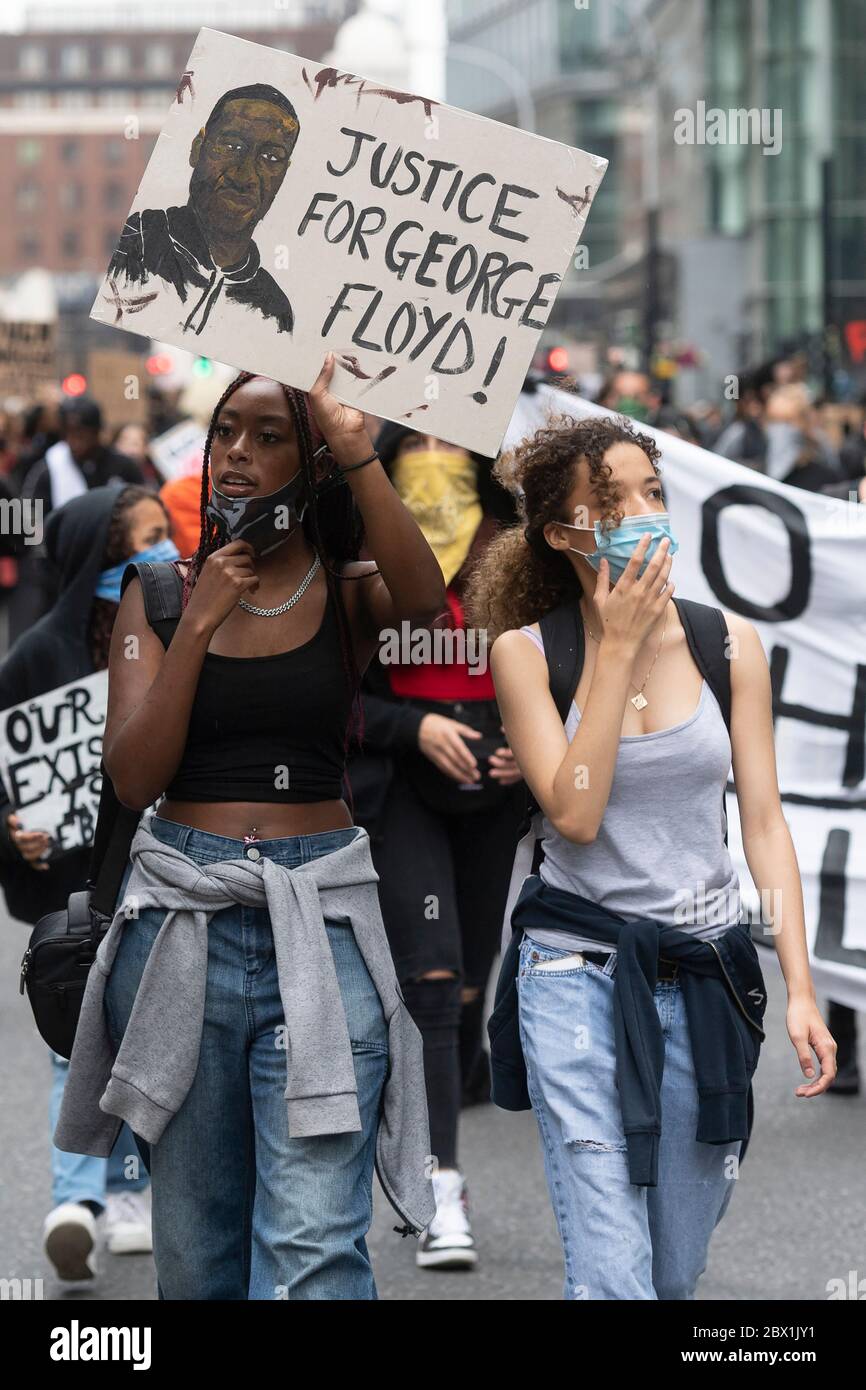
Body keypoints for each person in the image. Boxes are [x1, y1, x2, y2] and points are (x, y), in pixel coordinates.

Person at [53, 353, 446, 1300]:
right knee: (200, 1254)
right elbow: (135, 775)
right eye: (226, 432)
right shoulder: (157, 593)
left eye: (269, 438)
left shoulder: (344, 589)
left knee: (316, 1245)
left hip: (322, 919)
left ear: (308, 468)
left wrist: (357, 448)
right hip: (183, 926)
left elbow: (426, 600)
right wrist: (197, 623)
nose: (236, 452)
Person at [465, 413, 837, 1300]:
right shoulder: (526, 654)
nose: (643, 514)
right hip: (574, 974)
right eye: (611, 502)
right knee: (613, 1274)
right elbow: (575, 812)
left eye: (653, 493)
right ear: (563, 535)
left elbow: (763, 823)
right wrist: (618, 648)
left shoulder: (727, 644)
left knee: (671, 1274)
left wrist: (800, 988)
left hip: (704, 976)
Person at [347, 424, 525, 1269]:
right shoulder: (364, 553)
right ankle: (438, 1184)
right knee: (432, 979)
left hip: (495, 799)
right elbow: (334, 694)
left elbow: (567, 665)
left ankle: (424, 1115)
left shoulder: (522, 554)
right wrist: (414, 727)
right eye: (412, 440)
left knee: (468, 992)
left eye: (446, 438)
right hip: (404, 793)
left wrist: (529, 742)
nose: (431, 454)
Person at [0, 484, 174, 1282]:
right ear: (98, 558)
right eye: (143, 539)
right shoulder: (36, 657)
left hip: (163, 866)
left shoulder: (178, 630)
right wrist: (12, 831)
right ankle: (79, 1201)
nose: (163, 550)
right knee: (78, 1033)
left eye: (165, 531)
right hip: (76, 888)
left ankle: (128, 1192)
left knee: (146, 1031)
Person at [104, 83, 298, 337]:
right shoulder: (133, 241)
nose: (245, 176)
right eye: (231, 146)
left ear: (284, 175)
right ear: (198, 147)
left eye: (271, 158)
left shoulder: (274, 310)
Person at [13, 396, 144, 638]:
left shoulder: (122, 466)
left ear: (97, 432)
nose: (75, 440)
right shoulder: (49, 469)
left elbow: (145, 511)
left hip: (115, 576)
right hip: (62, 578)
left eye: (82, 432)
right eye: (69, 432)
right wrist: (43, 564)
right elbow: (29, 520)